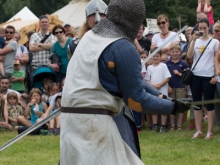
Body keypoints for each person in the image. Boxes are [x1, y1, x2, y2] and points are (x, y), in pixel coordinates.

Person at [61, 0, 190, 164]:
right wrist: (172, 108)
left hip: (71, 121)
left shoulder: (88, 39)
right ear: (135, 20)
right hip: (94, 125)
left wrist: (161, 98)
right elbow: (135, 101)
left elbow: (130, 81)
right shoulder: (122, 48)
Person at [187, 18, 219, 139]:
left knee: (209, 103)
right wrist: (193, 41)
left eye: (204, 28)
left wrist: (215, 76)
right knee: (197, 104)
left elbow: (217, 60)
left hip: (208, 76)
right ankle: (199, 130)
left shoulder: (215, 42)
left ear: (208, 28)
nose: (202, 30)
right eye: (200, 28)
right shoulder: (196, 41)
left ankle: (209, 131)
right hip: (195, 75)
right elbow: (189, 56)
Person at [146, 47, 171, 133]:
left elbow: (167, 77)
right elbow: (147, 80)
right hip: (153, 90)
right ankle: (155, 125)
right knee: (154, 108)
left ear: (160, 56)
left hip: (162, 89)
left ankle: (163, 125)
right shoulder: (149, 68)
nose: (155, 58)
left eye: (157, 56)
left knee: (163, 107)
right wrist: (153, 85)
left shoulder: (163, 66)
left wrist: (160, 85)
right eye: (153, 56)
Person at [165, 44, 188, 131]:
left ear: (180, 52)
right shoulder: (166, 63)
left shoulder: (183, 63)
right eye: (173, 51)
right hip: (170, 87)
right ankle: (172, 125)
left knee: (180, 106)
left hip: (180, 87)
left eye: (176, 51)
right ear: (170, 52)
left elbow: (187, 76)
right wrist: (167, 86)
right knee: (172, 106)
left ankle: (179, 125)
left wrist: (179, 74)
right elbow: (164, 76)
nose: (175, 53)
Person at [213, 21, 220, 131]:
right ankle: (218, 124)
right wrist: (217, 69)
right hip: (214, 76)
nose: (219, 32)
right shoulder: (213, 41)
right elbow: (216, 58)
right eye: (217, 30)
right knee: (216, 101)